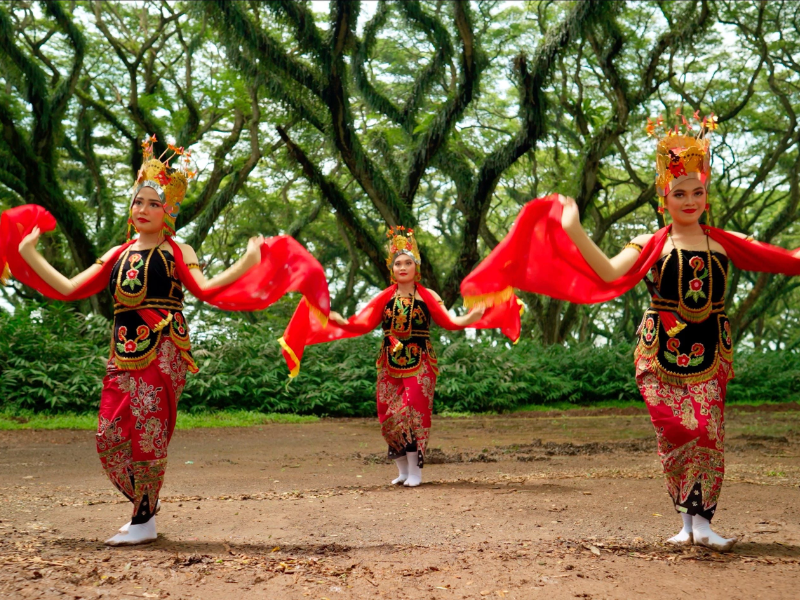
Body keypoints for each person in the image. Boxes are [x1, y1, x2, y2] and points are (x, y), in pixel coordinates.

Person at [460, 113, 800, 552]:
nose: (690, 200)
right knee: (675, 430)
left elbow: (786, 259)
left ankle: (704, 524)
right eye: (680, 193)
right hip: (659, 351)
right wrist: (573, 228)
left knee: (708, 434)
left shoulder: (723, 241)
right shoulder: (650, 243)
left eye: (698, 192)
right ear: (664, 196)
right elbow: (605, 272)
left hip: (712, 350)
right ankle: (685, 518)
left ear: (706, 194)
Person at [0, 135, 329, 546]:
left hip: (164, 349)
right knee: (108, 438)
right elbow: (69, 287)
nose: (143, 209)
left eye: (153, 203)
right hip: (121, 351)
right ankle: (145, 505)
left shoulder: (178, 250)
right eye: (138, 202)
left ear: (168, 209)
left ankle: (142, 519)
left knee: (148, 433)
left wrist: (247, 262)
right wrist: (30, 253)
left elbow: (207, 288)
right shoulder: (117, 253)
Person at [280, 226, 522, 487]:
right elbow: (361, 324)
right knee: (388, 415)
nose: (403, 267)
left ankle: (416, 472)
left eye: (408, 263)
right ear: (392, 269)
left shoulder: (429, 296)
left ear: (416, 267)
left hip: (421, 363)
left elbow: (452, 322)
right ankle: (403, 471)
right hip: (388, 362)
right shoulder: (384, 298)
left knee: (414, 414)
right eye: (398, 264)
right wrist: (336, 319)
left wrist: (474, 315)